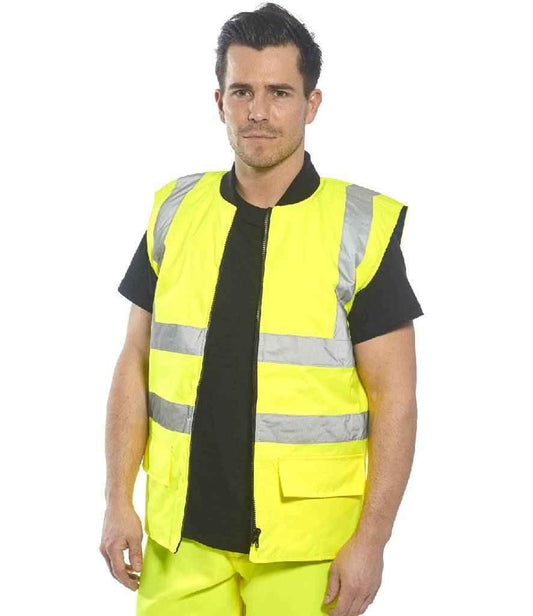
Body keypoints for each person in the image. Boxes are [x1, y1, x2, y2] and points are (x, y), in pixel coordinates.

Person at [100, 3, 424, 615]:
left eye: (279, 93)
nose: (258, 112)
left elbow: (395, 399)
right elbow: (133, 363)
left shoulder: (362, 227)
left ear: (311, 104)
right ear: (218, 100)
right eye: (242, 91)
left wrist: (372, 539)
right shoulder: (175, 210)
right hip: (179, 539)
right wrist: (118, 498)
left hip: (309, 550)